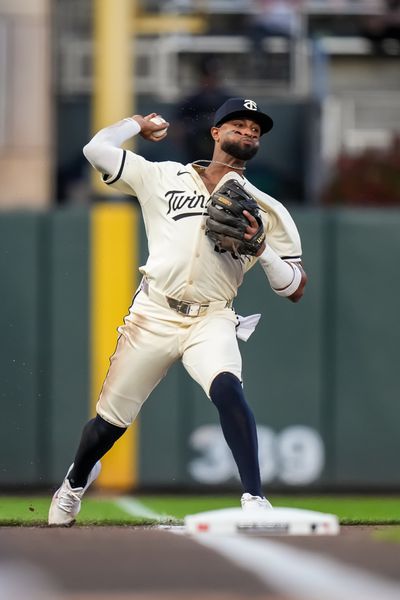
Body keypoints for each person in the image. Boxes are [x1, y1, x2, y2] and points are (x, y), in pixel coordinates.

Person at [48, 97, 307, 526]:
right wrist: (135, 123)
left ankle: (254, 497)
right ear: (216, 133)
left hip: (212, 316)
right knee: (110, 424)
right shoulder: (163, 176)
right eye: (238, 125)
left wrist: (262, 250)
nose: (247, 133)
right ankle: (74, 483)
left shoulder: (267, 208)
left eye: (255, 131)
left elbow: (294, 288)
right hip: (154, 313)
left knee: (227, 387)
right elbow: (96, 150)